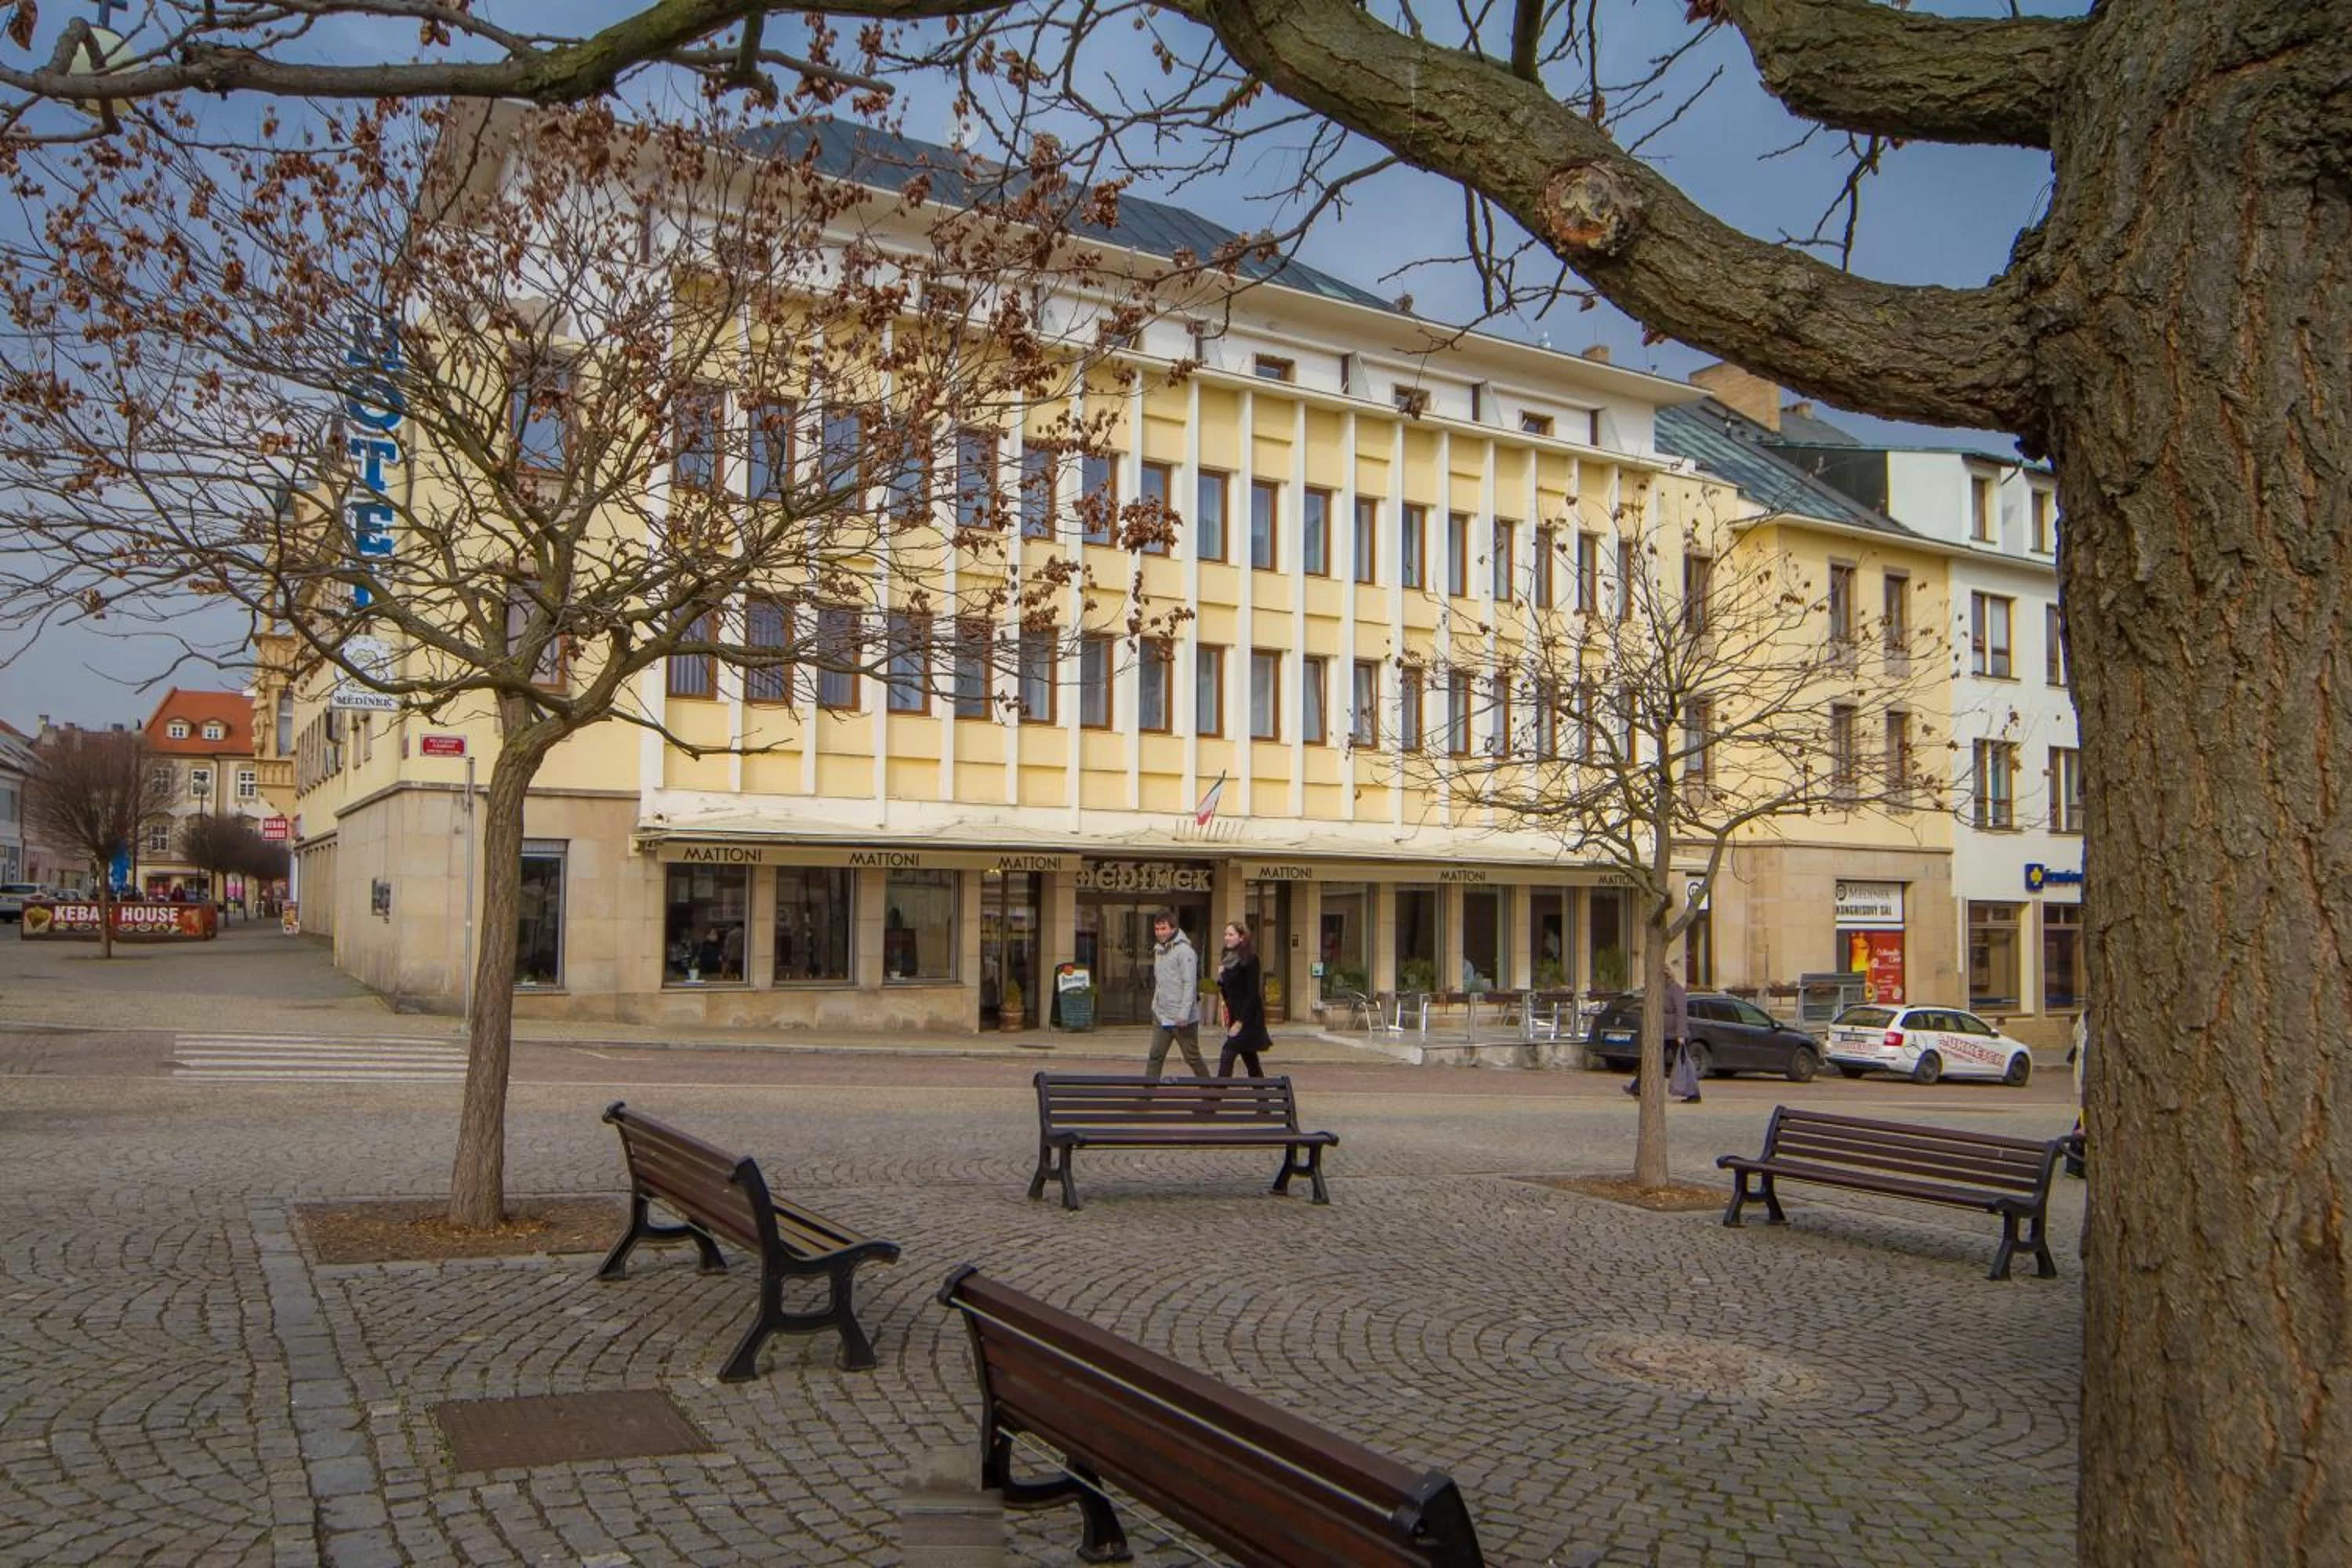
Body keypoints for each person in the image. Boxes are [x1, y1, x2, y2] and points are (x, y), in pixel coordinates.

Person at [1145, 910, 1210, 1081]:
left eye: (1163, 928)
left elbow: (1190, 984)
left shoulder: (1185, 952)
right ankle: (1147, 1097)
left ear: (1173, 929)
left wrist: (1183, 1014)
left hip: (1183, 1020)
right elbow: (1160, 982)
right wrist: (1155, 1006)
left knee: (1192, 1057)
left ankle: (1211, 1094)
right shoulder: (1159, 951)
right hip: (1162, 1016)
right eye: (1157, 929)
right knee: (1155, 1056)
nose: (1160, 932)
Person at [1623, 961, 1697, 1102]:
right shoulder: (1658, 990)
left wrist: (1681, 1034)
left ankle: (1693, 1093)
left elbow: (1681, 1013)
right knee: (1651, 1060)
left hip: (1674, 1035)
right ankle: (1637, 1088)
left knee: (1683, 1064)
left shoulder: (1675, 990)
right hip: (1661, 1033)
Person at [1216, 921, 1272, 1077]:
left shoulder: (1250, 960)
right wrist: (1221, 979)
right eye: (1226, 934)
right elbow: (1228, 994)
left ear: (1241, 937)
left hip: (1248, 1018)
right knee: (1251, 1061)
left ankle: (1216, 1097)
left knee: (1228, 1053)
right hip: (1236, 1015)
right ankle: (1263, 1098)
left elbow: (1253, 994)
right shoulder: (1227, 959)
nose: (1227, 938)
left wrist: (1240, 1022)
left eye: (1231, 934)